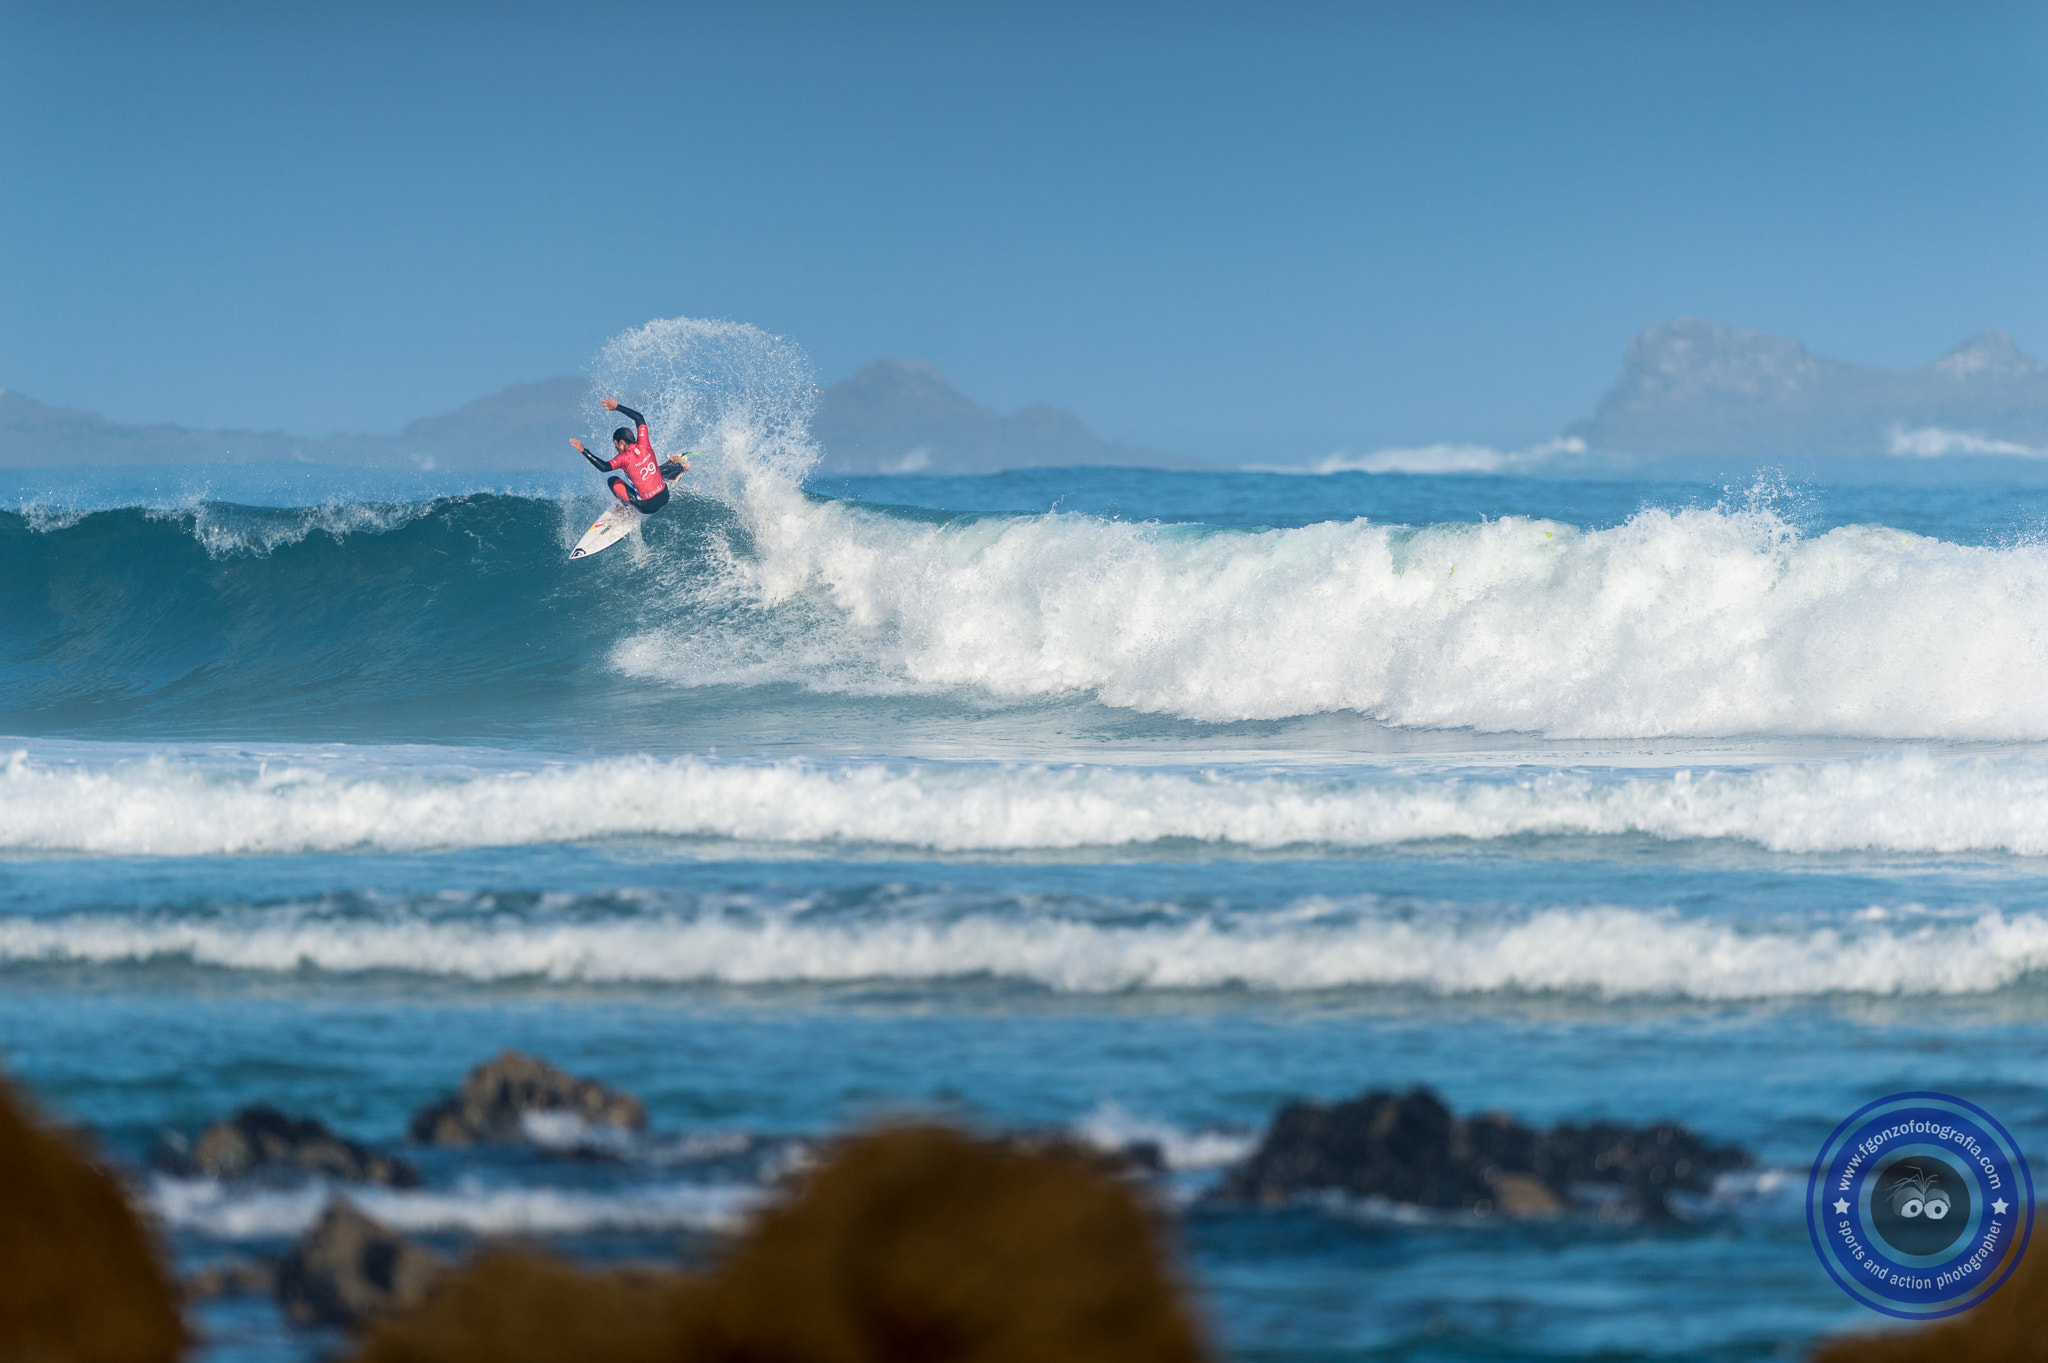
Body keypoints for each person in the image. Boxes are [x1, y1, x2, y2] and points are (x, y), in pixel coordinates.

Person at [571, 398, 688, 514]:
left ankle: (625, 508)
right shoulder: (644, 443)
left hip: (647, 507)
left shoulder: (623, 459)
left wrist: (584, 450)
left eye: (615, 444)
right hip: (664, 495)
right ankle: (680, 467)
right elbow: (639, 418)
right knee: (655, 471)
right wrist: (617, 406)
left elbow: (604, 467)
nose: (615, 447)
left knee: (612, 481)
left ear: (621, 442)